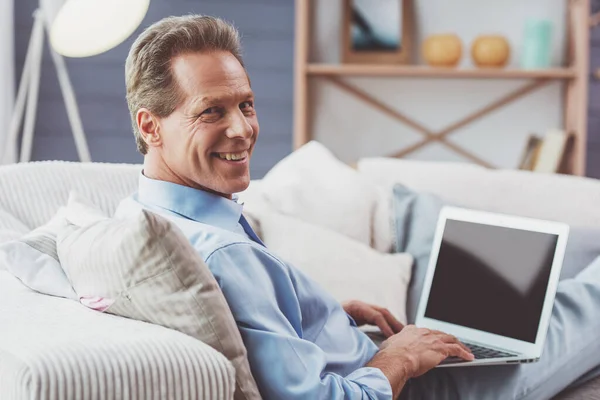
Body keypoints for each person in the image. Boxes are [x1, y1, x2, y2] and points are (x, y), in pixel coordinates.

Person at [115, 14, 600, 399]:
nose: (242, 129)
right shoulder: (222, 253)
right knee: (586, 300)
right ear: (151, 126)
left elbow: (257, 328)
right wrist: (401, 359)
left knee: (535, 293)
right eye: (210, 111)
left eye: (246, 105)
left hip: (371, 354)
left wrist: (317, 317)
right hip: (421, 388)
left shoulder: (148, 216)